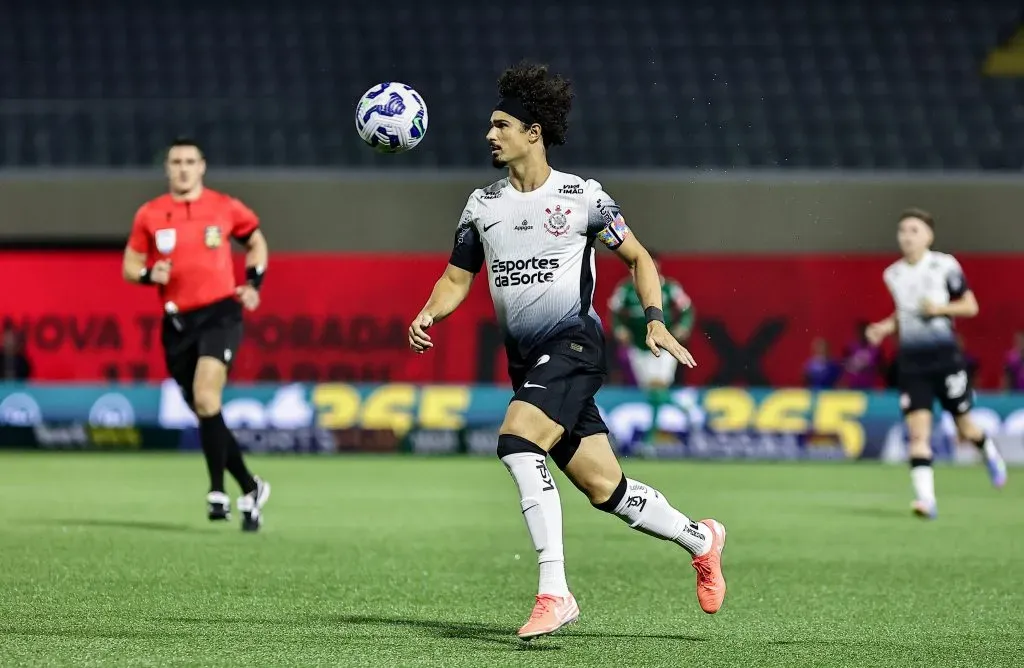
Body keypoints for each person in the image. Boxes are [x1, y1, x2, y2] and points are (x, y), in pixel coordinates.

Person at [408, 62, 726, 640]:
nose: (490, 135)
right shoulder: (481, 206)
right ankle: (701, 538)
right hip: (529, 363)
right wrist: (430, 310)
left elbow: (639, 258)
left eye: (501, 125)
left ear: (533, 132)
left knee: (516, 441)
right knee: (606, 488)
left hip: (575, 344)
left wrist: (654, 320)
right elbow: (457, 278)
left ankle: (554, 592)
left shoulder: (581, 196)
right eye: (490, 125)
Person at [122, 137, 271, 531]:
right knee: (208, 412)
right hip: (176, 324)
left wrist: (253, 282)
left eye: (190, 161)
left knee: (207, 396)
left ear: (202, 166)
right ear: (167, 168)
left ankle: (217, 490)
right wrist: (145, 274)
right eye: (176, 162)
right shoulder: (150, 214)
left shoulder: (225, 207)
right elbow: (130, 263)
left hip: (220, 313)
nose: (183, 168)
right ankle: (250, 487)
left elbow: (255, 241)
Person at [866, 208, 1006, 519]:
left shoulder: (944, 266)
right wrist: (884, 327)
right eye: (902, 230)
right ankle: (926, 500)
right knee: (918, 434)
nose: (907, 236)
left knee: (965, 427)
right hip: (912, 364)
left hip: (945, 360)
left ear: (928, 236)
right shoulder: (893, 274)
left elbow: (970, 306)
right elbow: (905, 314)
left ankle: (989, 452)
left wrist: (940, 308)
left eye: (914, 230)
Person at [608, 253, 695, 442]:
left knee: (657, 387)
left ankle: (650, 439)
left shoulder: (669, 288)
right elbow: (614, 311)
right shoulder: (626, 289)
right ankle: (684, 408)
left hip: (664, 347)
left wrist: (684, 326)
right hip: (639, 347)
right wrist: (619, 329)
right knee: (653, 393)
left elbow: (687, 309)